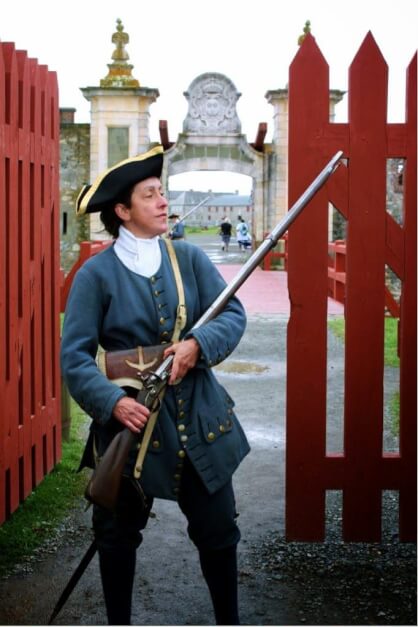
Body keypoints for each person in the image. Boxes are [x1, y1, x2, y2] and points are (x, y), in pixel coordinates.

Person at [61, 145, 250, 626]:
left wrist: (197, 345)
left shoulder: (187, 258)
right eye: (150, 195)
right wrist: (111, 405)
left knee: (218, 533)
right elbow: (76, 358)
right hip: (133, 424)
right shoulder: (95, 274)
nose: (164, 201)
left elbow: (231, 314)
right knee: (116, 537)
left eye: (162, 192)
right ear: (122, 211)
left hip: (199, 419)